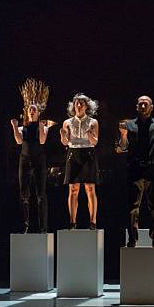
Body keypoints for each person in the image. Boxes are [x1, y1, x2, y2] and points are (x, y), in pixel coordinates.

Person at [117, 95, 154, 247]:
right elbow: (123, 147)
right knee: (133, 206)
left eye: (146, 104)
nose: (143, 106)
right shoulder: (129, 124)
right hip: (135, 169)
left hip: (152, 168)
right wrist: (123, 135)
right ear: (136, 107)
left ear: (151, 107)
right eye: (140, 104)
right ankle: (132, 238)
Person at [10, 78, 51, 234]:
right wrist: (14, 127)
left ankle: (43, 228)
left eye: (34, 109)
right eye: (30, 109)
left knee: (41, 194)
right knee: (24, 194)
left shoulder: (43, 126)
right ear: (27, 112)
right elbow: (19, 141)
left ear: (38, 112)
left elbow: (41, 140)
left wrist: (42, 126)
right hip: (25, 158)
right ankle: (25, 225)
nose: (32, 110)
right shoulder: (22, 127)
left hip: (39, 159)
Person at [60, 93, 100, 230]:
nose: (78, 105)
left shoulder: (93, 122)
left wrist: (90, 135)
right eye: (76, 103)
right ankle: (72, 222)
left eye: (81, 103)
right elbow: (65, 142)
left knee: (90, 188)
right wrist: (63, 136)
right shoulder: (67, 122)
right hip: (73, 153)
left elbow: (95, 142)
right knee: (73, 189)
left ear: (86, 106)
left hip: (88, 153)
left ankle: (93, 222)